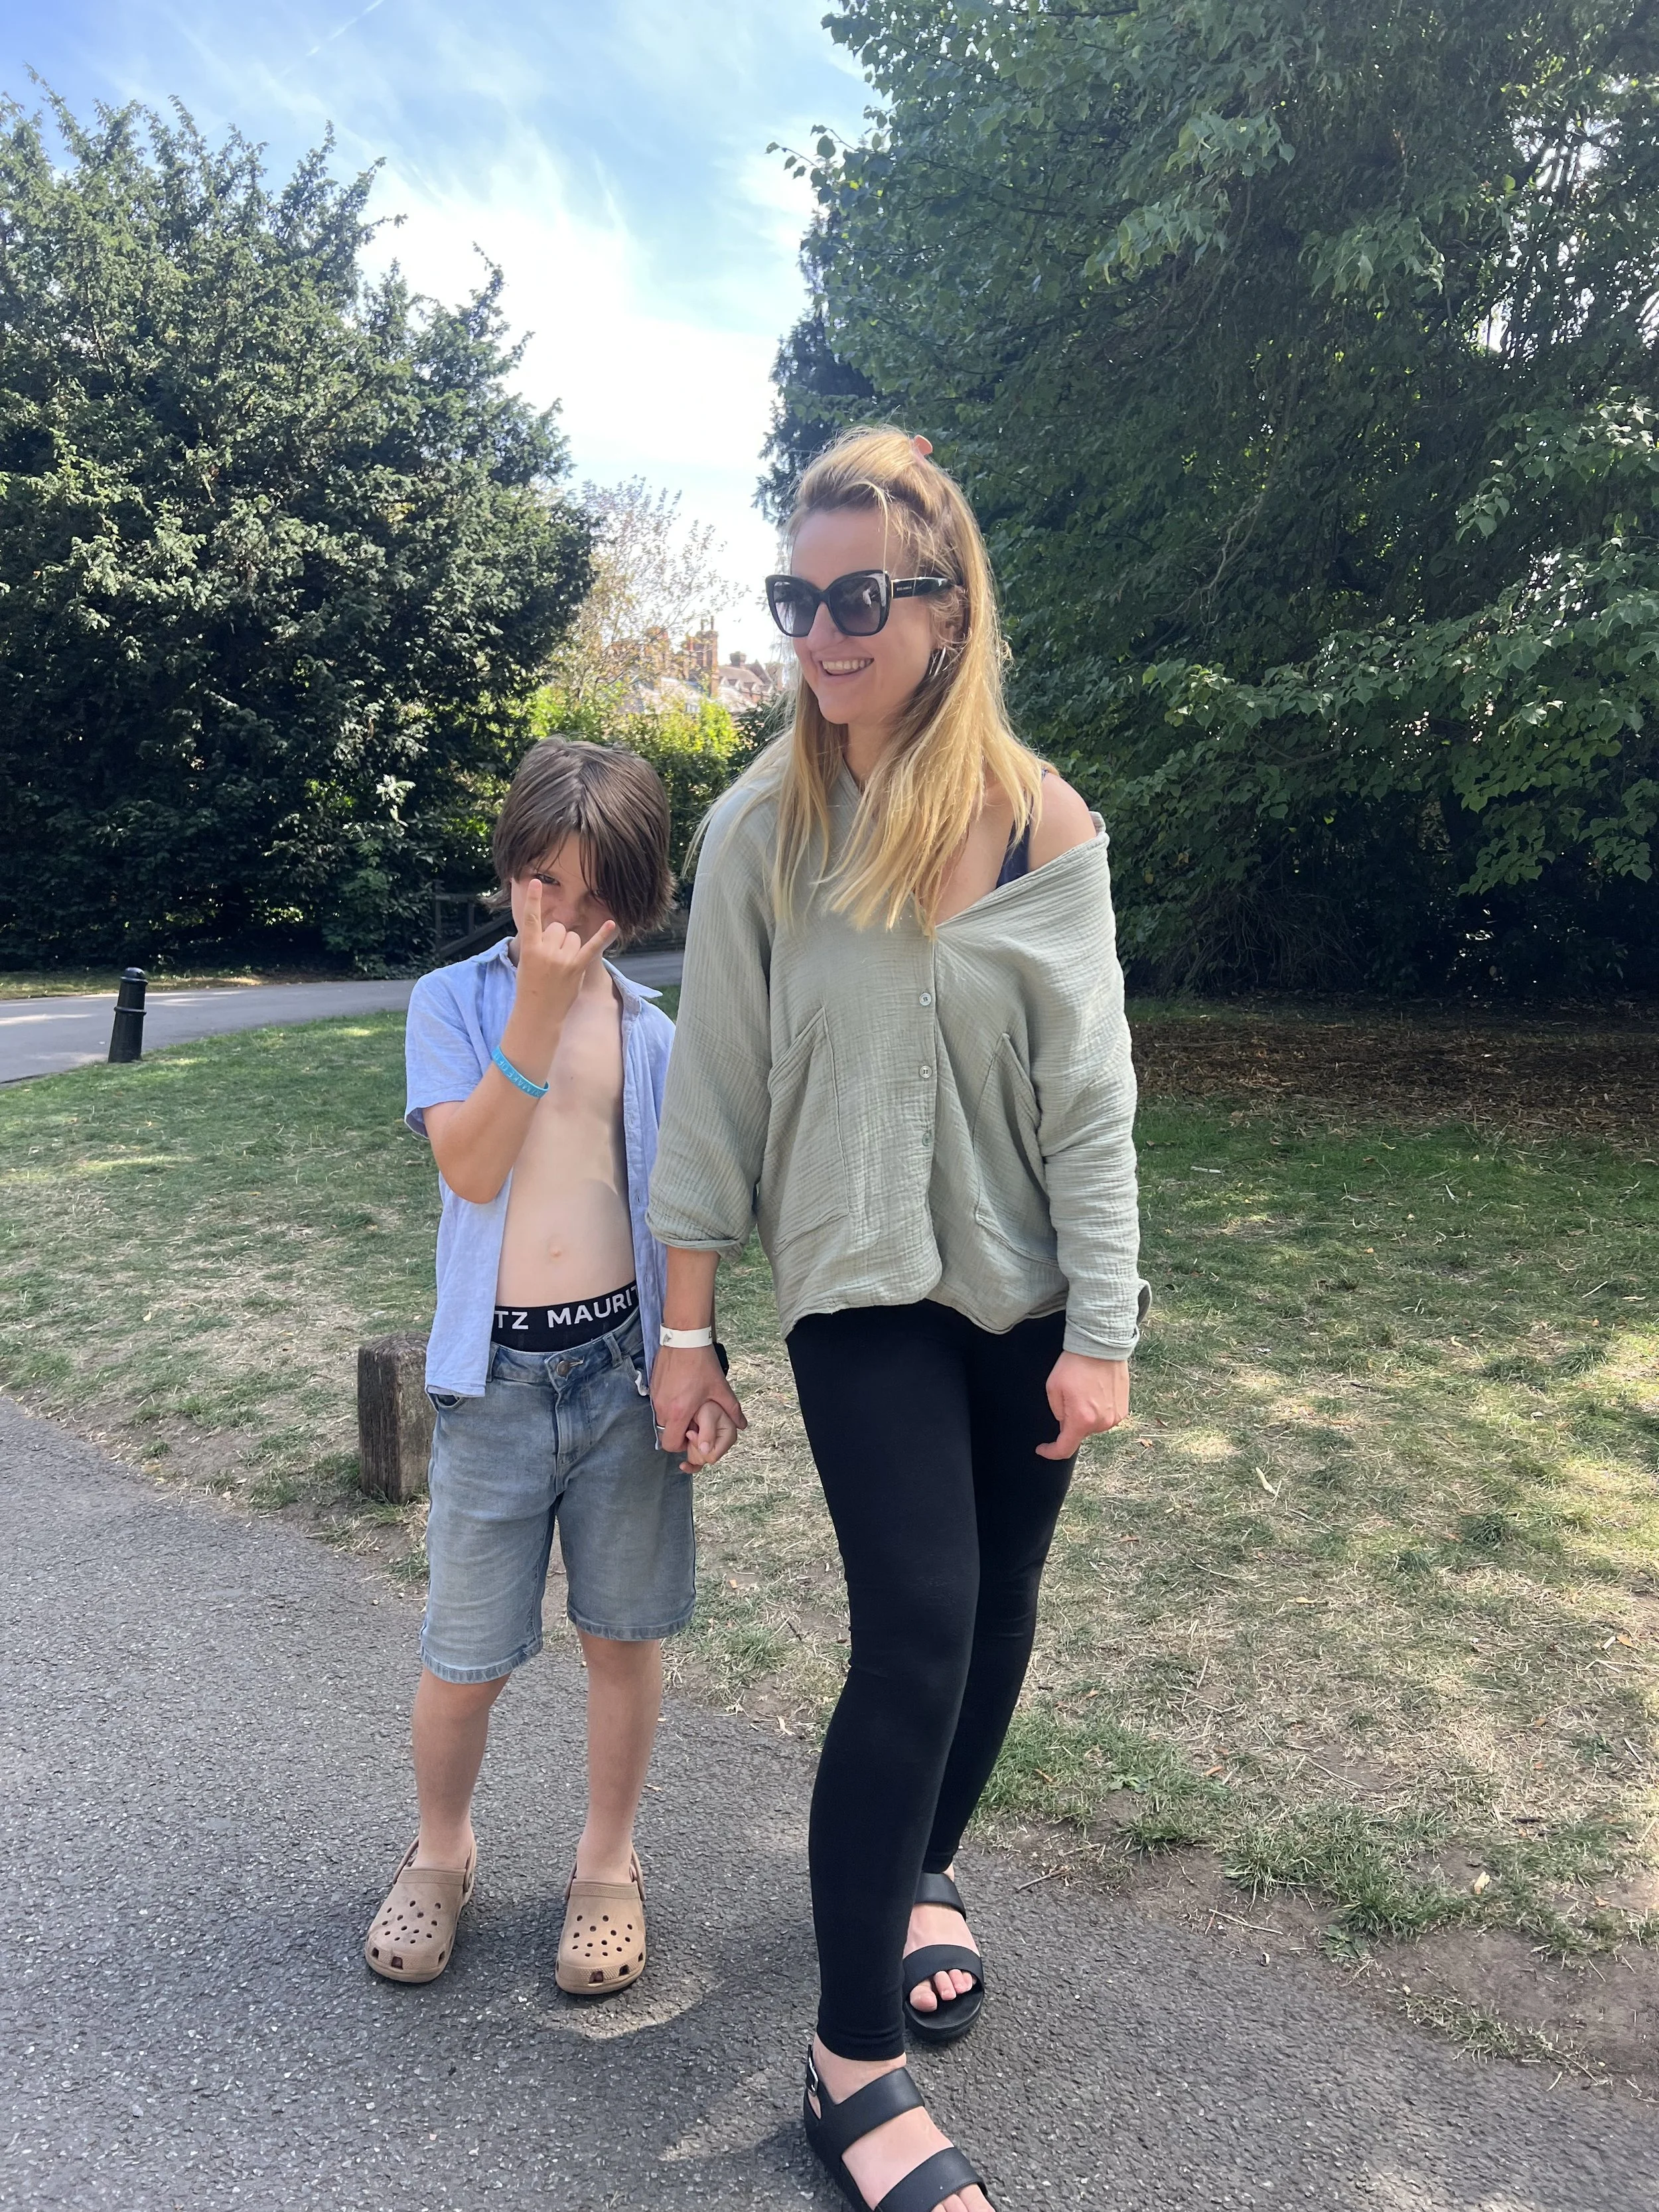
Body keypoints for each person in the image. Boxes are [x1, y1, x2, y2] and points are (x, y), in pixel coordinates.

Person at [648, 429, 1147, 2212]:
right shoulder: (760, 830)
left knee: (1000, 1605)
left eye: (858, 596)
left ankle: (923, 1868)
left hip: (1026, 1294)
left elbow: (1092, 1097)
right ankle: (848, 2058)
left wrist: (1105, 1326)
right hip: (856, 1284)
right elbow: (706, 1097)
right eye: (797, 597)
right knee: (918, 1622)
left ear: (943, 604)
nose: (823, 633)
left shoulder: (1038, 816)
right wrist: (687, 1332)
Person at [366, 739, 739, 1998]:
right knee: (463, 1653)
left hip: (623, 1379)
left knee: (622, 1639)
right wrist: (533, 1003)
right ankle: (441, 1852)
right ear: (509, 871)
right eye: (542, 885)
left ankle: (607, 1862)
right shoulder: (452, 1001)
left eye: (593, 899)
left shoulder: (655, 1036)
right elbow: (471, 1166)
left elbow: (686, 1211)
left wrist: (697, 1359)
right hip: (496, 1390)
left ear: (635, 901)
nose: (564, 922)